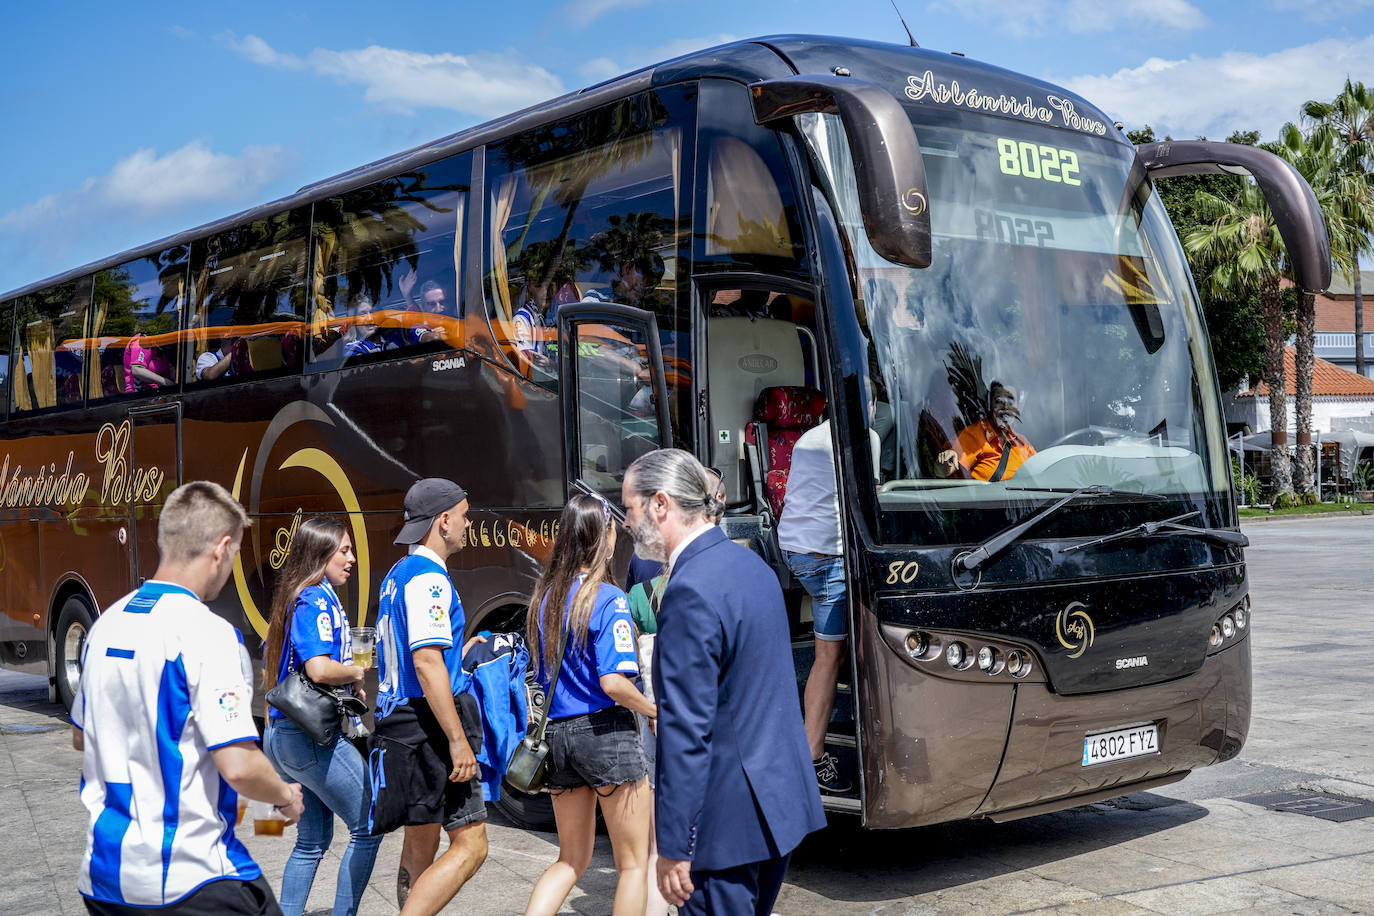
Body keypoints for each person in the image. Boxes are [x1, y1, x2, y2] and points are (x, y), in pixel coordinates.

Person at [72, 480, 305, 915]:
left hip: (104, 878)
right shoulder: (208, 633)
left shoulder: (105, 625)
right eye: (235, 553)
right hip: (190, 877)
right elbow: (237, 765)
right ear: (220, 548)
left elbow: (82, 737)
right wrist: (284, 798)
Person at [622, 449, 825, 916]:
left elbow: (686, 729)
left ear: (660, 504)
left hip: (723, 827)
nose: (627, 524)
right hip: (776, 807)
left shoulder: (690, 588)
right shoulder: (751, 567)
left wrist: (674, 843)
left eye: (630, 509)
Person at [523, 494, 656, 916]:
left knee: (570, 860)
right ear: (604, 537)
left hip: (556, 739)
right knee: (633, 865)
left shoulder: (546, 598)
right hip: (604, 734)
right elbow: (614, 682)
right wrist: (654, 710)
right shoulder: (608, 599)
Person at [370, 478, 488, 915]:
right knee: (472, 844)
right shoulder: (428, 578)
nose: (467, 523)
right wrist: (458, 740)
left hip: (401, 720)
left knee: (421, 838)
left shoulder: (397, 574)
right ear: (443, 521)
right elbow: (427, 661)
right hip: (430, 724)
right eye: (463, 515)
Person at [261, 517, 380, 916]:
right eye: (343, 550)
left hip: (286, 736)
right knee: (369, 824)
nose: (352, 559)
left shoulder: (306, 596)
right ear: (320, 553)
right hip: (307, 737)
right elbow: (317, 669)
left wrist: (348, 684)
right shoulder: (314, 599)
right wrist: (355, 672)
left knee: (311, 841)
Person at [777, 414, 879, 796]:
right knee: (828, 656)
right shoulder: (864, 437)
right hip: (827, 558)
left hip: (793, 550)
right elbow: (871, 501)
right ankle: (813, 755)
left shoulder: (808, 437)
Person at [938, 381, 1037, 481]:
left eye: (1011, 402)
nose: (1006, 407)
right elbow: (946, 468)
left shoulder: (1022, 442)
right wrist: (946, 462)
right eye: (999, 401)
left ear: (1018, 408)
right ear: (989, 405)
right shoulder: (974, 434)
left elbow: (1041, 471)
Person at [342, 294, 384, 358]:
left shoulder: (391, 338)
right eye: (363, 314)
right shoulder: (352, 349)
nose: (370, 318)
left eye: (372, 312)